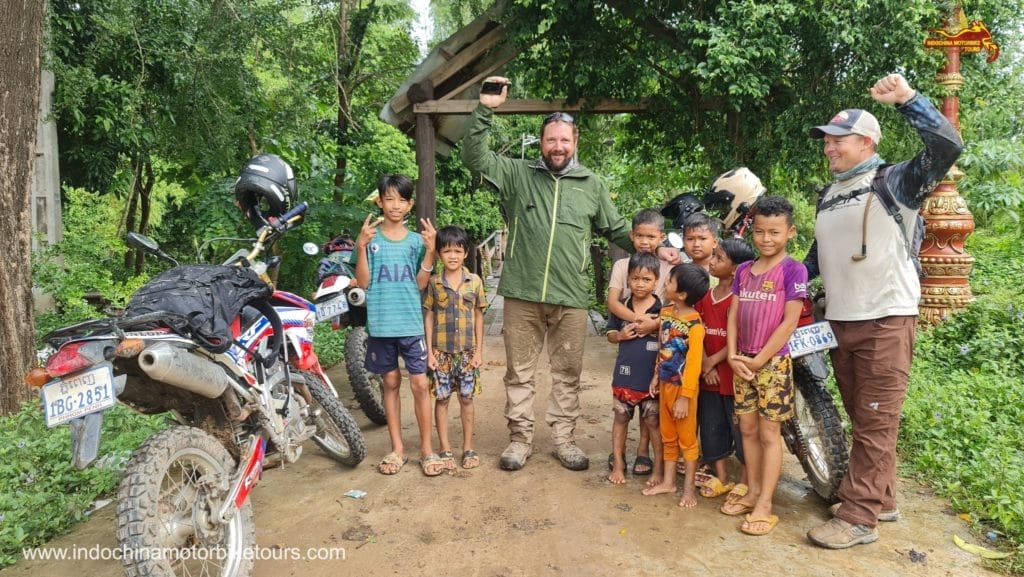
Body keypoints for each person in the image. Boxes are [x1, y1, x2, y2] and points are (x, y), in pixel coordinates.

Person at [804, 73, 963, 548]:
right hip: (842, 321)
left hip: (885, 318)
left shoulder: (895, 181)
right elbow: (818, 257)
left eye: (838, 140)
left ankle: (858, 519)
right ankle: (883, 498)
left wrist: (908, 100)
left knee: (876, 419)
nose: (829, 148)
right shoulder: (829, 194)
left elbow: (947, 147)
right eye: (826, 142)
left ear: (866, 142)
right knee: (864, 416)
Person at [461, 76, 648, 471]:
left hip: (571, 296)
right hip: (523, 293)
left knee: (567, 372)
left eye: (564, 140)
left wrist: (651, 249)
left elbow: (615, 229)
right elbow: (475, 158)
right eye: (551, 140)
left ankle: (564, 439)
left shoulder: (590, 184)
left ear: (574, 143)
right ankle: (519, 440)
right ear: (542, 142)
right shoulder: (518, 175)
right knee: (519, 372)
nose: (557, 147)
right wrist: (485, 110)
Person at [721, 195, 807, 537]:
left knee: (770, 434)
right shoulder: (743, 271)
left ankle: (766, 504)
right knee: (747, 430)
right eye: (759, 232)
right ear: (751, 231)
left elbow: (789, 323)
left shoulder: (793, 270)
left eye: (774, 232)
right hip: (741, 362)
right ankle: (752, 490)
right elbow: (732, 316)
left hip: (771, 365)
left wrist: (759, 360)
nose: (766, 239)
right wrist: (731, 355)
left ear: (790, 232)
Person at [355, 174, 440, 476]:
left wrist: (430, 251)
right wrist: (361, 247)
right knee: (390, 383)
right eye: (388, 198)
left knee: (419, 384)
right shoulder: (371, 239)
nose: (394, 205)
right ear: (379, 201)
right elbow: (364, 282)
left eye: (401, 199)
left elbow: (420, 283)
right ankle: (397, 450)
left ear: (410, 204)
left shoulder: (416, 242)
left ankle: (427, 450)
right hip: (380, 325)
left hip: (411, 324)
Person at [605, 208, 674, 475]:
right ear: (631, 236)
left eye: (651, 236)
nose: (645, 242)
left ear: (662, 237)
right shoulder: (622, 266)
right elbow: (612, 302)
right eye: (640, 236)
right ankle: (619, 456)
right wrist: (638, 320)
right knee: (625, 406)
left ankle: (644, 451)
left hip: (657, 341)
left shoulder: (670, 266)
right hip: (631, 332)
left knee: (651, 409)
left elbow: (675, 304)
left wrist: (654, 323)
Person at [642, 263, 709, 508]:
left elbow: (693, 365)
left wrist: (686, 397)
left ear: (681, 294)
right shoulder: (666, 313)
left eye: (669, 281)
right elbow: (662, 349)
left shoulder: (695, 325)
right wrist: (655, 376)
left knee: (687, 441)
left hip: (683, 393)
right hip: (665, 386)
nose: (664, 283)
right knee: (668, 436)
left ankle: (688, 490)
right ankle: (669, 482)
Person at [694, 238, 755, 500]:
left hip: (731, 377)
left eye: (719, 258)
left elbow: (739, 337)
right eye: (714, 256)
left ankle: (745, 480)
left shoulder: (739, 300)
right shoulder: (704, 297)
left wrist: (712, 361)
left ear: (735, 270)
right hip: (708, 374)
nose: (712, 261)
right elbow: (697, 329)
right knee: (711, 425)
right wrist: (705, 362)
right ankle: (720, 476)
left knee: (740, 429)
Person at [423, 225, 487, 471]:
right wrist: (429, 352)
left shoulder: (475, 282)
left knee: (467, 399)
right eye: (447, 250)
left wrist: (479, 351)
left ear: (466, 254)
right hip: (441, 353)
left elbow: (479, 315)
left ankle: (468, 447)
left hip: (468, 352)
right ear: (439, 253)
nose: (452, 256)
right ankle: (444, 447)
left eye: (457, 251)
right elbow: (428, 316)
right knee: (441, 400)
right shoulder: (434, 283)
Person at [605, 252, 664, 484]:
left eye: (646, 279)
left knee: (652, 420)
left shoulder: (662, 311)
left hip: (652, 378)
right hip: (624, 376)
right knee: (621, 416)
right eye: (635, 279)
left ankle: (658, 468)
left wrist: (655, 327)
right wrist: (620, 335)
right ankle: (618, 464)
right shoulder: (621, 307)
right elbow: (609, 334)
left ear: (656, 281)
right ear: (628, 280)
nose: (640, 284)